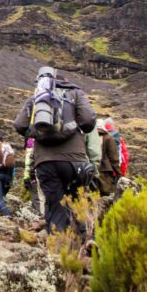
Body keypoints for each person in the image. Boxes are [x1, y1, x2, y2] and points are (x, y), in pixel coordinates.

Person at [13, 70, 96, 234]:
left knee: (55, 206)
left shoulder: (37, 98)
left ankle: (58, 249)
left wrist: (36, 134)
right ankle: (86, 245)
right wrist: (72, 126)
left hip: (46, 161)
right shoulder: (75, 93)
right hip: (75, 160)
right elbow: (88, 122)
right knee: (79, 201)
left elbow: (19, 125)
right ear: (64, 81)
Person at [97, 118, 122, 197]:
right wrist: (118, 173)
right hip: (105, 171)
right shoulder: (108, 137)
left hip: (90, 169)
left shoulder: (88, 136)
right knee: (105, 196)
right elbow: (113, 157)